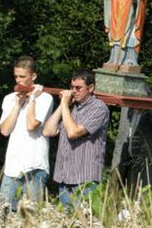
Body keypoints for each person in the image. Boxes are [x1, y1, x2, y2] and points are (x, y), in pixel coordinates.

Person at [43, 69, 110, 210]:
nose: (74, 91)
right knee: (67, 225)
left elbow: (73, 132)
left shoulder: (98, 108)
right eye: (71, 87)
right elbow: (48, 131)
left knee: (85, 224)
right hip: (64, 178)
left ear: (90, 88)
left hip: (84, 179)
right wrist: (63, 106)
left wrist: (64, 106)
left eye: (78, 88)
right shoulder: (71, 108)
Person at [0, 55, 54, 212]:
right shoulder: (9, 99)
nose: (18, 80)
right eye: (16, 76)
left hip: (35, 166)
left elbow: (31, 125)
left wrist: (32, 100)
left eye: (22, 76)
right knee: (3, 215)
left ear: (33, 76)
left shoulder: (45, 98)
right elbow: (4, 130)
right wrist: (18, 105)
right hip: (12, 167)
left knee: (30, 218)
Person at [112, 106, 152, 193]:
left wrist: (150, 107)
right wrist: (116, 172)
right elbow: (120, 141)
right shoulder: (126, 109)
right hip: (131, 172)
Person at [99, 0, 148, 66]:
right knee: (115, 38)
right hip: (117, 19)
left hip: (131, 20)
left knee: (130, 38)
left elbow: (141, 3)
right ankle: (113, 60)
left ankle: (129, 60)